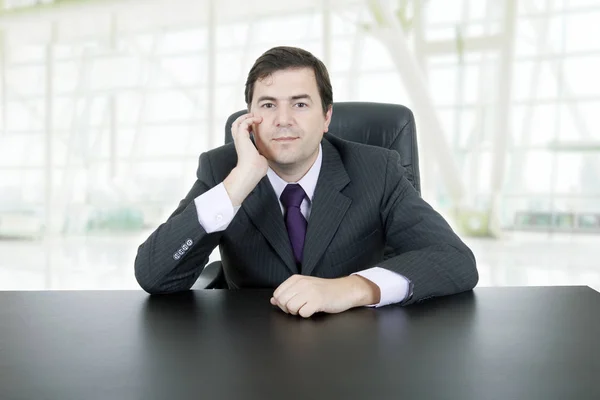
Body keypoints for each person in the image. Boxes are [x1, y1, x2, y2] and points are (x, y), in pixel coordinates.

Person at [134, 46, 478, 318]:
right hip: (250, 347)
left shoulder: (376, 169)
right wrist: (237, 185)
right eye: (268, 105)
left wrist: (351, 288)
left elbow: (454, 259)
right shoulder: (222, 169)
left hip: (357, 347)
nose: (283, 120)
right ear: (249, 119)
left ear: (326, 116)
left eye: (300, 104)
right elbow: (154, 274)